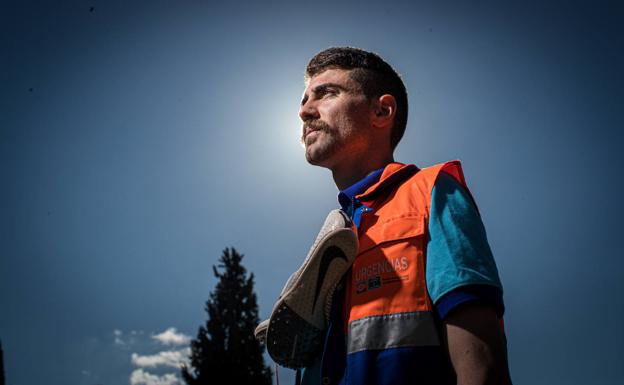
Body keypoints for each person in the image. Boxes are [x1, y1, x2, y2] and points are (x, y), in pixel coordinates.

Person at [297, 47, 512, 385]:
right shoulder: (331, 239)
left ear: (382, 111)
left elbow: (482, 365)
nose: (305, 111)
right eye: (304, 99)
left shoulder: (431, 190)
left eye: (326, 93)